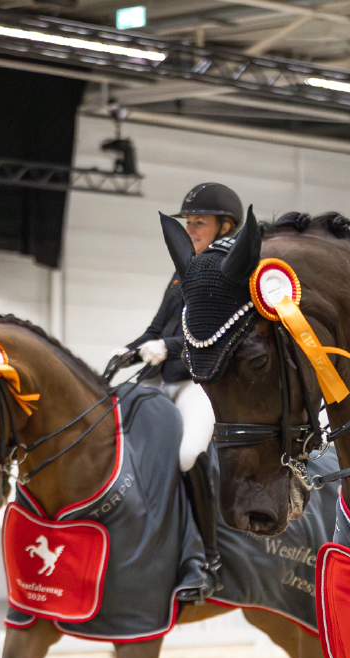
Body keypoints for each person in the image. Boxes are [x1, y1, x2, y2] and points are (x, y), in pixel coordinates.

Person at [110, 182, 244, 586]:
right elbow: (156, 326)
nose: (190, 230)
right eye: (188, 222)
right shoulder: (181, 269)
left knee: (186, 455)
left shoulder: (231, 272)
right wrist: (129, 350)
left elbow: (218, 332)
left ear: (226, 227)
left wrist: (166, 348)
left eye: (199, 223)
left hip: (197, 381)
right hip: (160, 375)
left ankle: (207, 557)